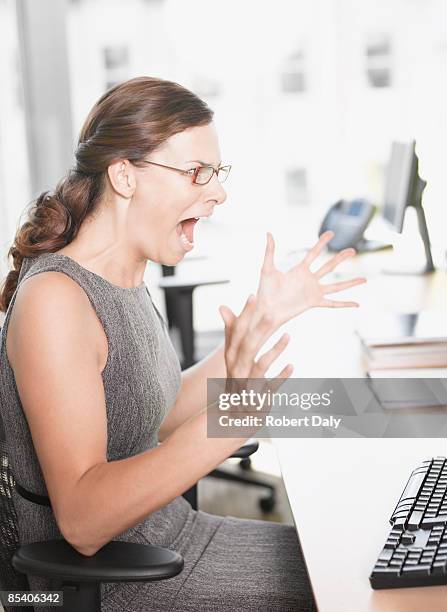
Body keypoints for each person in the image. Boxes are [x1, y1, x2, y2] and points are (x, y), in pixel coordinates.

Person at [0, 76, 365, 611]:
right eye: (197, 173)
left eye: (217, 174)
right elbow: (82, 522)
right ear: (124, 176)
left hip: (168, 537)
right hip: (118, 579)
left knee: (356, 553)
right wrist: (232, 419)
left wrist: (257, 321)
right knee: (357, 589)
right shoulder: (56, 301)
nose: (218, 192)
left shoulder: (122, 276)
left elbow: (155, 411)